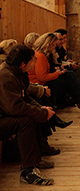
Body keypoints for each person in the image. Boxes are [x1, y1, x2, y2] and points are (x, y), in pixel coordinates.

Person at [0, 45, 55, 185]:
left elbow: (25, 97)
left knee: (33, 115)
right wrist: (41, 112)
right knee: (25, 121)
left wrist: (41, 108)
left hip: (5, 115)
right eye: (33, 60)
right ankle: (28, 171)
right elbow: (15, 107)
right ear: (23, 63)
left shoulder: (16, 72)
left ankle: (35, 160)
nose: (35, 62)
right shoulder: (5, 76)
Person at [29, 33, 80, 116]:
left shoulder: (43, 55)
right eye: (53, 45)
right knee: (67, 82)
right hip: (40, 85)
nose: (54, 47)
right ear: (47, 44)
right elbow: (42, 77)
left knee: (69, 74)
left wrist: (58, 70)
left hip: (43, 82)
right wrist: (57, 73)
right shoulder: (40, 56)